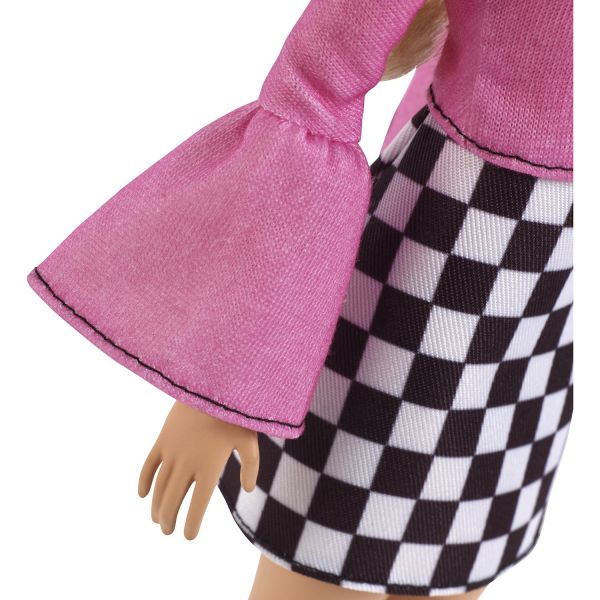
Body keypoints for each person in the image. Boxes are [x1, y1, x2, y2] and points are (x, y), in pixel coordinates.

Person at [28, 1, 573, 597]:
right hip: (455, 261)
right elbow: (318, 84)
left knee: (459, 555)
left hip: (554, 301)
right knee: (351, 543)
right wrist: (227, 376)